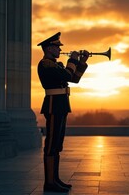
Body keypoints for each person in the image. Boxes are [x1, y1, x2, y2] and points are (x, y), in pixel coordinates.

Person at [37, 32, 89, 192]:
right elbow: (67, 74)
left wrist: (81, 62)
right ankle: (49, 182)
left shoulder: (56, 65)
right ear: (49, 48)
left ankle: (55, 179)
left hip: (61, 105)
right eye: (57, 47)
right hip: (53, 105)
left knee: (57, 144)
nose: (60, 50)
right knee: (51, 144)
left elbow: (74, 79)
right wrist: (72, 60)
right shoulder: (46, 64)